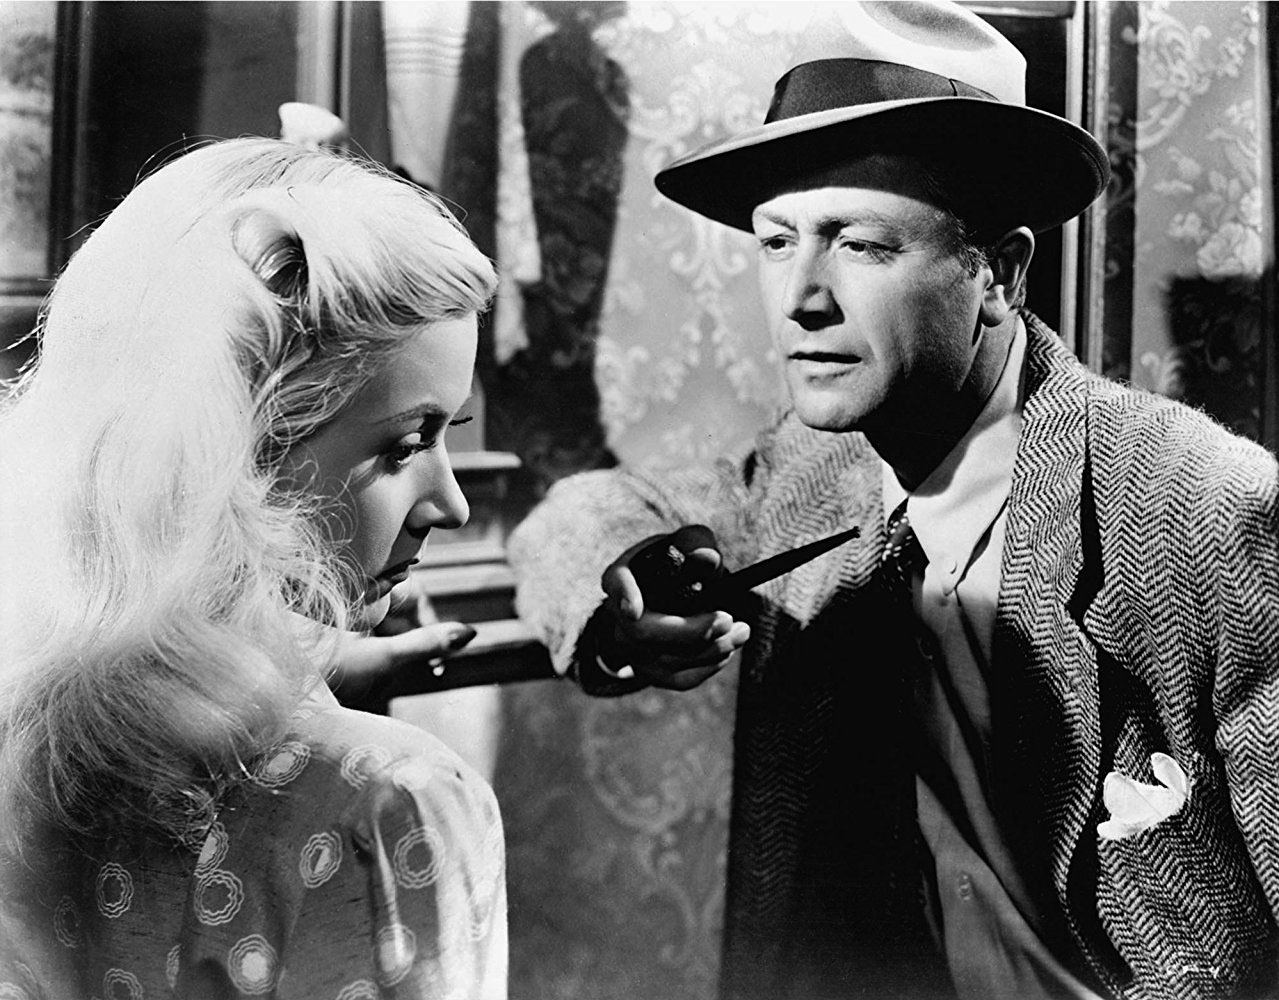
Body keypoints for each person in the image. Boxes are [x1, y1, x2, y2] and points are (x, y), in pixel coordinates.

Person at [507, 3, 1279, 999]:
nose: (801, 298)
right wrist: (626, 588)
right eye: (776, 242)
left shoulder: (1207, 511)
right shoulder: (806, 474)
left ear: (998, 273)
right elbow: (577, 516)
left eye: (861, 244)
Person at [0, 137, 507, 998]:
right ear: (242, 456)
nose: (450, 505)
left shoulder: (33, 739)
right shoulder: (389, 802)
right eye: (406, 444)